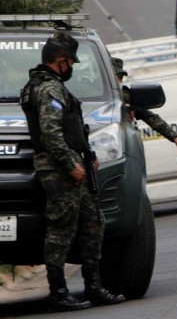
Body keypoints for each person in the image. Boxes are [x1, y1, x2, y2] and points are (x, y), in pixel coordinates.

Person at [20, 32, 125, 312]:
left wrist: (85, 157)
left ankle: (94, 286)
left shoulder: (47, 85)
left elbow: (66, 130)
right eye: (71, 63)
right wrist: (71, 164)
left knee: (93, 222)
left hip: (71, 165)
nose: (72, 69)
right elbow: (51, 134)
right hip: (59, 170)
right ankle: (58, 292)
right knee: (61, 228)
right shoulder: (50, 89)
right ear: (62, 61)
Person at [111, 57, 177, 163]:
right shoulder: (94, 95)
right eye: (114, 77)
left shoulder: (124, 96)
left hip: (123, 152)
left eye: (120, 77)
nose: (118, 81)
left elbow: (151, 118)